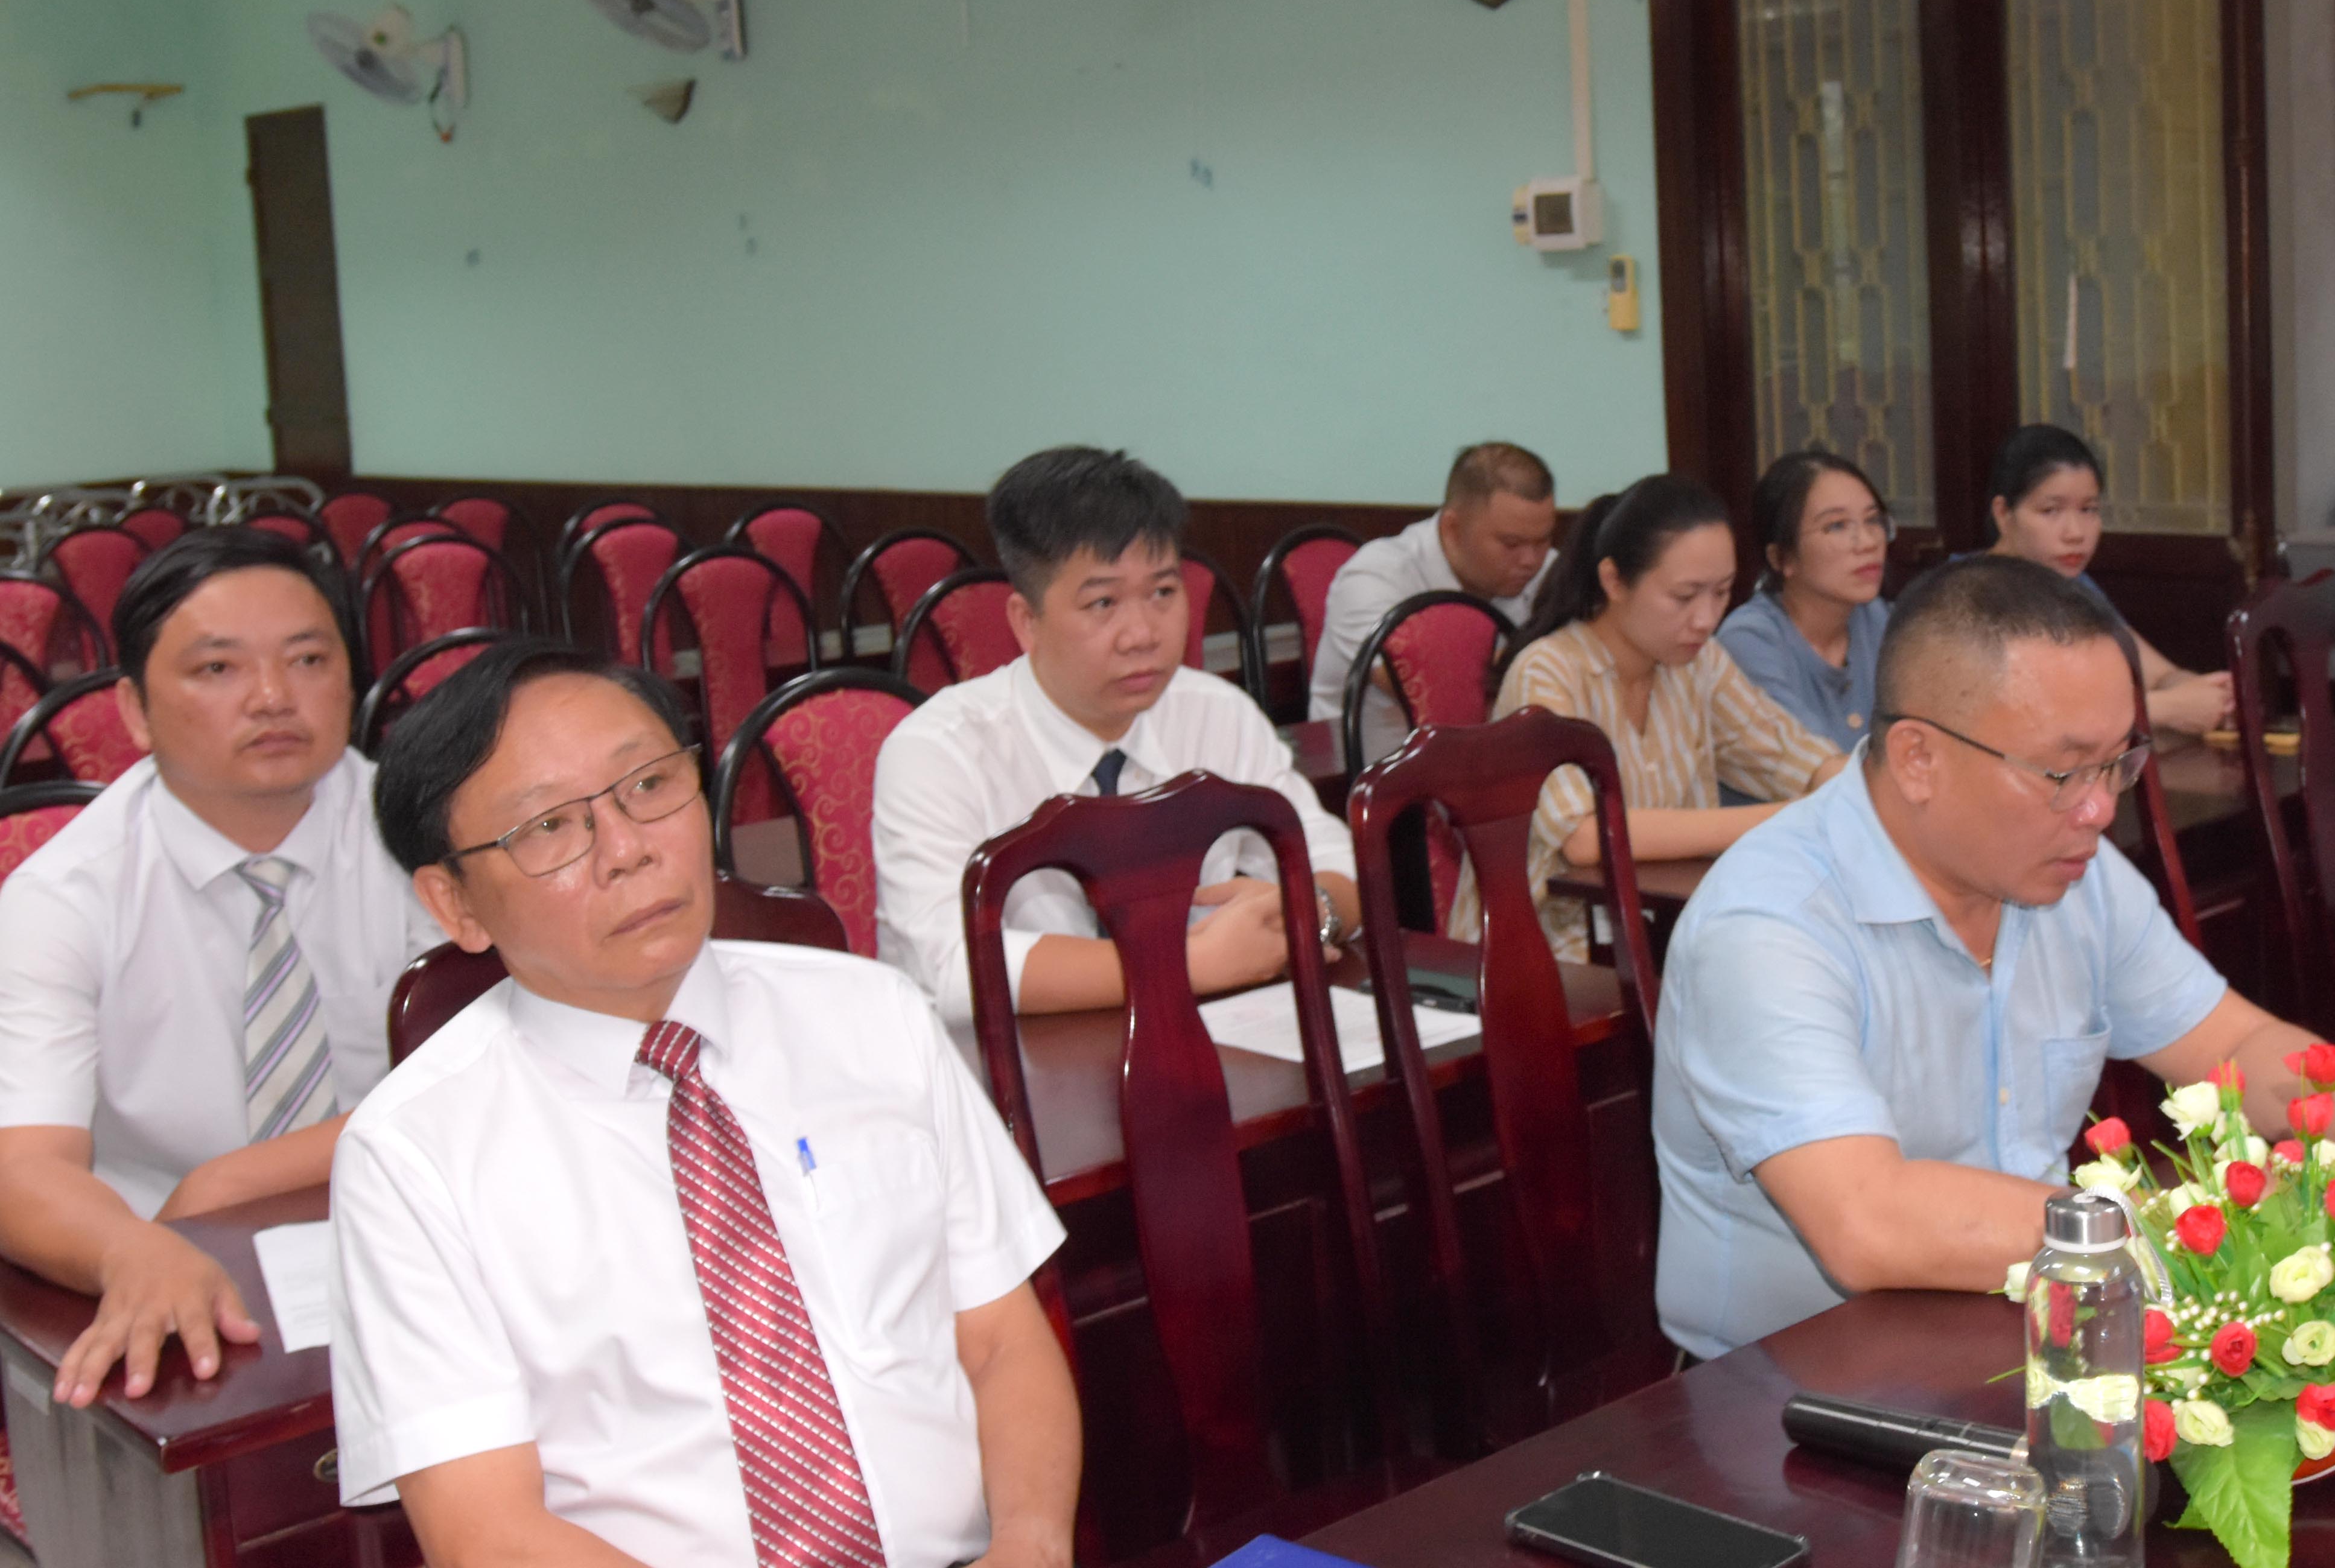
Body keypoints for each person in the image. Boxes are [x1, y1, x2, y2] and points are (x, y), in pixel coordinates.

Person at [332, 641, 1079, 1568]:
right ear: (456, 904)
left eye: (649, 785)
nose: (629, 849)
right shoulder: (410, 1155)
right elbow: (486, 1533)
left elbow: (1004, 1340)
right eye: (551, 827)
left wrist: (1031, 1543)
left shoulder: (873, 1016)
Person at [1652, 556, 2335, 1360]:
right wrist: (2186, 1232)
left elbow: (2234, 1045)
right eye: (2064, 771)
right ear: (1918, 758)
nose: (2099, 808)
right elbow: (1867, 1221)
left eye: (2117, 763)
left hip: (2037, 1329)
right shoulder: (1768, 924)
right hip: (1785, 1393)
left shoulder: (2074, 877)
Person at [0, 528, 440, 1408]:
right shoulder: (61, 899)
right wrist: (132, 1249)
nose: (273, 697)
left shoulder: (428, 836)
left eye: (308, 659)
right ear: (134, 710)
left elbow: (512, 1068)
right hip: (169, 1262)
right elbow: (22, 1167)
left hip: (417, 1226)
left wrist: (233, 1181)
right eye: (218, 669)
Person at [875, 447, 1358, 1027]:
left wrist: (1310, 911)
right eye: (1102, 603)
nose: (1142, 634)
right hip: (1012, 1061)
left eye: (1163, 593)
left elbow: (1332, 858)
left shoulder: (1217, 714)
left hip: (1209, 1041)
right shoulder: (939, 751)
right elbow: (950, 965)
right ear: (1026, 622)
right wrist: (1193, 964)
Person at [1473, 475, 1846, 963]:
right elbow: (1584, 837)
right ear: (1614, 581)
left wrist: (1850, 786)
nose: (1706, 619)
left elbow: (1793, 756)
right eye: (1685, 596)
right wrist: (1785, 818)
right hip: (1545, 947)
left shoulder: (1701, 664)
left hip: (1663, 931)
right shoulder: (1548, 671)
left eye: (1722, 593)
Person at [1305, 441, 1560, 747]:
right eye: (1511, 544)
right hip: (1368, 769)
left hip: (1488, 758)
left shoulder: (1549, 569)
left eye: (1543, 541)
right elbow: (1431, 687)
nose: (1531, 560)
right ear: (1453, 528)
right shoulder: (1374, 577)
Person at [1981, 424, 2232, 735]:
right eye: (2051, 511)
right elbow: (2022, 720)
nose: (2076, 533)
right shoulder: (1966, 596)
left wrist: (2210, 695)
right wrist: (2165, 709)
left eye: (2088, 510)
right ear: (2003, 514)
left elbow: (2156, 674)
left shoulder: (2074, 585)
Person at [1715, 451, 1892, 755]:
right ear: (1781, 557)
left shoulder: (1881, 620)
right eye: (1837, 526)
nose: (1868, 542)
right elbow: (1809, 763)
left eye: (1873, 520)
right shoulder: (1749, 641)